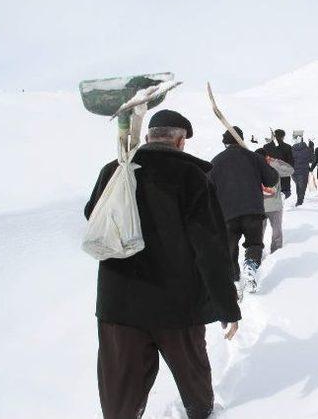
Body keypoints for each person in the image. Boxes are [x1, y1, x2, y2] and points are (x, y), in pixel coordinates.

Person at [84, 109, 241, 419]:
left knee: (120, 403)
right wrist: (227, 306)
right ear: (180, 141)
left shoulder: (115, 170)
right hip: (177, 307)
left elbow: (93, 216)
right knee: (196, 392)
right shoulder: (192, 177)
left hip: (119, 306)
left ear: (146, 138)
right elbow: (210, 248)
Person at [210, 126, 278, 295]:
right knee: (254, 244)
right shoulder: (254, 157)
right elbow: (272, 179)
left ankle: (233, 279)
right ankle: (250, 267)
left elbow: (208, 189)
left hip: (227, 214)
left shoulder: (215, 161)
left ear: (225, 142)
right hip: (252, 211)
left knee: (230, 248)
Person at [256, 149, 294, 253]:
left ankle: (256, 252)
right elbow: (290, 170)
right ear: (267, 157)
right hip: (275, 206)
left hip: (258, 206)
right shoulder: (273, 165)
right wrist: (275, 161)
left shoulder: (252, 167)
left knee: (258, 233)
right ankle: (276, 253)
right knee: (276, 231)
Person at [263, 129, 294, 198]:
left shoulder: (266, 147)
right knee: (284, 195)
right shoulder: (288, 147)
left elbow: (263, 163)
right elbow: (291, 163)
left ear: (274, 136)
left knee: (271, 198)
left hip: (270, 178)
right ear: (283, 137)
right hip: (284, 178)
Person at [291, 134, 313, 206]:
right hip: (304, 171)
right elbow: (311, 160)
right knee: (302, 186)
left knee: (298, 185)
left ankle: (299, 200)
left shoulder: (292, 149)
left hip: (294, 172)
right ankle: (300, 201)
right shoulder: (307, 149)